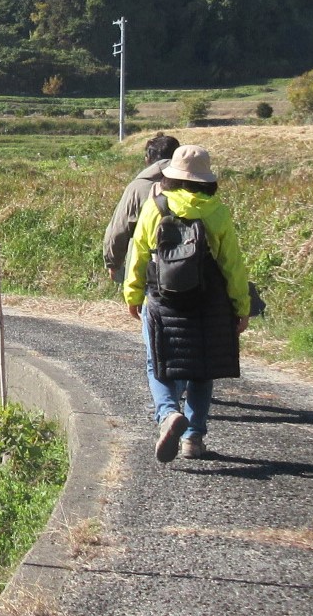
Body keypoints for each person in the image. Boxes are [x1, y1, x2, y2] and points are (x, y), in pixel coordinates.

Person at [122, 144, 250, 462]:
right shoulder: (216, 212)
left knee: (159, 363)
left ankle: (167, 414)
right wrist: (241, 307)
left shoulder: (155, 206)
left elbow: (137, 254)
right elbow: (232, 264)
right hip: (209, 301)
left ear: (171, 176)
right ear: (207, 180)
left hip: (162, 298)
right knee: (201, 369)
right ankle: (193, 438)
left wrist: (132, 294)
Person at [104, 133, 180, 281]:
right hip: (191, 267)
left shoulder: (138, 187)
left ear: (148, 159)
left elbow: (119, 228)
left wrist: (113, 262)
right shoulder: (194, 185)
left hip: (146, 268)